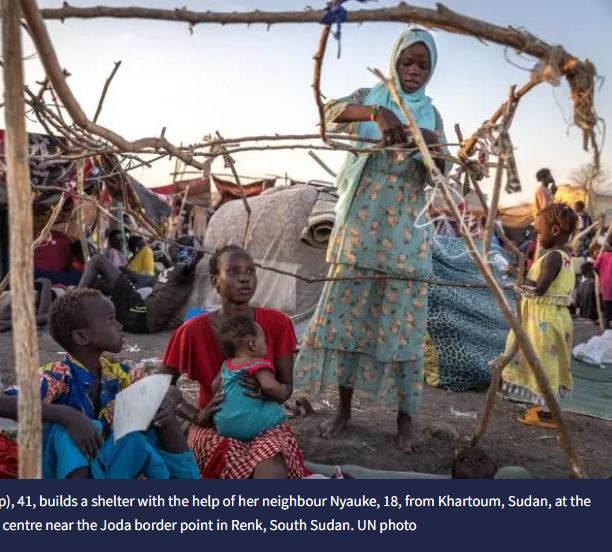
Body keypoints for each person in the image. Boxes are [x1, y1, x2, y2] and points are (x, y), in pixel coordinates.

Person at [294, 28, 449, 453]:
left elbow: (442, 172)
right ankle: (344, 412)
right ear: (394, 61)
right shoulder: (372, 95)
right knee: (349, 317)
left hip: (405, 234)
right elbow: (329, 112)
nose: (414, 71)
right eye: (407, 62)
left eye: (423, 64)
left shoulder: (432, 115)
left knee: (403, 324)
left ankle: (405, 420)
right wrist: (379, 116)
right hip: (361, 230)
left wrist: (433, 146)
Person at [0, 289, 198, 479]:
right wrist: (66, 416)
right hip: (57, 473)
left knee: (154, 416)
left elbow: (164, 388)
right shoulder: (56, 376)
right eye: (111, 319)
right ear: (81, 337)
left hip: (102, 468)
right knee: (66, 431)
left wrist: (167, 399)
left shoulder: (115, 374)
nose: (120, 326)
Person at [159, 245, 308, 479]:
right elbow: (159, 388)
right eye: (234, 272)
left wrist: (268, 391)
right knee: (224, 464)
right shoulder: (191, 331)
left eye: (250, 272)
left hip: (263, 423)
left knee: (271, 470)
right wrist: (194, 415)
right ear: (214, 280)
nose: (244, 279)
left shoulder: (277, 323)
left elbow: (287, 386)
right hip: (214, 425)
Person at [502, 203, 577, 428]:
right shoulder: (566, 257)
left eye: (539, 230)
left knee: (544, 364)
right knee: (550, 364)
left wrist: (514, 274)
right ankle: (548, 408)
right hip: (556, 319)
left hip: (545, 322)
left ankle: (548, 414)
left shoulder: (553, 256)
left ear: (555, 230)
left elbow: (538, 289)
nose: (537, 235)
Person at [77, 252, 196, 334]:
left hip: (141, 313)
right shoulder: (173, 274)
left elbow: (190, 261)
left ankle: (72, 306)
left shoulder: (184, 271)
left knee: (98, 260)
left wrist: (186, 255)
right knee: (100, 283)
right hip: (138, 315)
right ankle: (75, 304)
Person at [213, 316, 288, 441]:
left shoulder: (226, 365)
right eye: (264, 340)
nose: (266, 344)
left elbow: (214, 386)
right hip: (250, 424)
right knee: (278, 412)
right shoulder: (257, 363)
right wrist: (283, 391)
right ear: (252, 344)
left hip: (223, 425)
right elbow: (269, 386)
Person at [594, 237, 612, 328]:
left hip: (606, 283)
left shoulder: (603, 255)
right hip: (606, 283)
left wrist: (600, 275)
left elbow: (595, 267)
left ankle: (608, 326)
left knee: (607, 305)